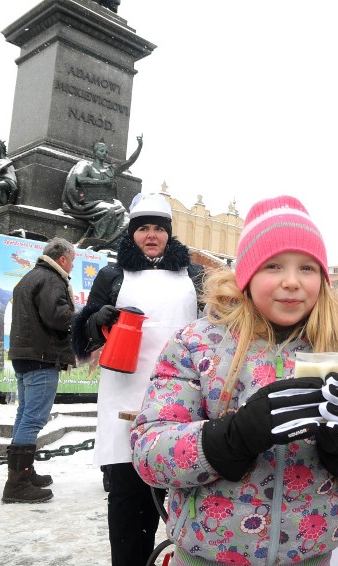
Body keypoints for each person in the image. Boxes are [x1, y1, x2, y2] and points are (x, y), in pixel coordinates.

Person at [130, 195, 338, 566]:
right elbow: (149, 453)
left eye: (307, 268)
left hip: (310, 556)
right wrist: (230, 438)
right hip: (209, 554)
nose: (292, 282)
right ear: (247, 274)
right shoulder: (196, 344)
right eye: (273, 266)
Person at [71, 193, 204, 566]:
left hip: (182, 398)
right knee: (129, 499)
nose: (150, 235)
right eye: (143, 228)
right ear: (132, 234)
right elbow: (82, 333)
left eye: (157, 229)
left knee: (184, 496)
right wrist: (97, 321)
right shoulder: (113, 276)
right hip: (124, 396)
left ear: (168, 234)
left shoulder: (194, 276)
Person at [2, 237, 77, 504]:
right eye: (72, 261)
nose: (72, 267)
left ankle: (23, 472)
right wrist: (80, 318)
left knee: (24, 416)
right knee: (33, 419)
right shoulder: (52, 279)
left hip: (25, 354)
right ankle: (17, 484)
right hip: (41, 356)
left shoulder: (31, 277)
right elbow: (57, 317)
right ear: (63, 259)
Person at [61, 136, 142, 250]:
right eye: (101, 151)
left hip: (108, 201)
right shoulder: (87, 166)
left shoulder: (111, 170)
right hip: (90, 202)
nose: (104, 153)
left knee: (126, 218)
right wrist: (102, 182)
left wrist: (139, 146)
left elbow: (129, 161)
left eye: (106, 152)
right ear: (95, 153)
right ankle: (96, 241)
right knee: (109, 210)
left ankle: (111, 244)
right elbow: (80, 178)